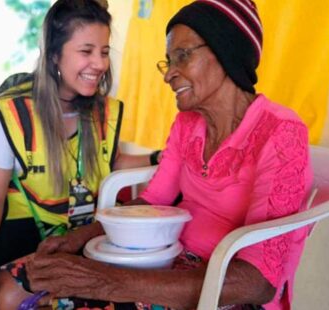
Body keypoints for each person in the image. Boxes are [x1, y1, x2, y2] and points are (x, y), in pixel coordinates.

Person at [17, 1, 313, 309]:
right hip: (165, 258)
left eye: (183, 56)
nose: (169, 74)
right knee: (30, 284)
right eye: (168, 61)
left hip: (224, 293)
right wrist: (78, 237)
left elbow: (257, 282)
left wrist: (104, 280)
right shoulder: (188, 124)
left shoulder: (281, 132)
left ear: (227, 51)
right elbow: (153, 199)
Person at [0, 0, 160, 309]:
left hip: (81, 229)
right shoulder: (8, 115)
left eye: (104, 52)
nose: (100, 64)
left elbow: (113, 162)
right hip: (19, 224)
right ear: (54, 54)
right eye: (86, 51)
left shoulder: (105, 111)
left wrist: (159, 158)